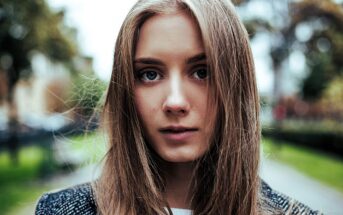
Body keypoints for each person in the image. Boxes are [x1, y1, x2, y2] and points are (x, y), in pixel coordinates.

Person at [35, 0, 322, 214]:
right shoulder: (58, 210)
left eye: (202, 72)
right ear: (126, 89)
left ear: (237, 86)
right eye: (150, 74)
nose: (175, 102)